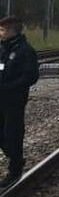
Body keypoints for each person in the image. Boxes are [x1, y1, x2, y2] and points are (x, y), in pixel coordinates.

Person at [0, 16, 39, 188]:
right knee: (2, 135)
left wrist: (10, 87)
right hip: (1, 98)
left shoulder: (25, 51)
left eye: (2, 30)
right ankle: (14, 157)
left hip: (14, 100)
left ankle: (15, 168)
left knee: (13, 134)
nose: (0, 33)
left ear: (12, 31)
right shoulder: (3, 49)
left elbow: (30, 76)